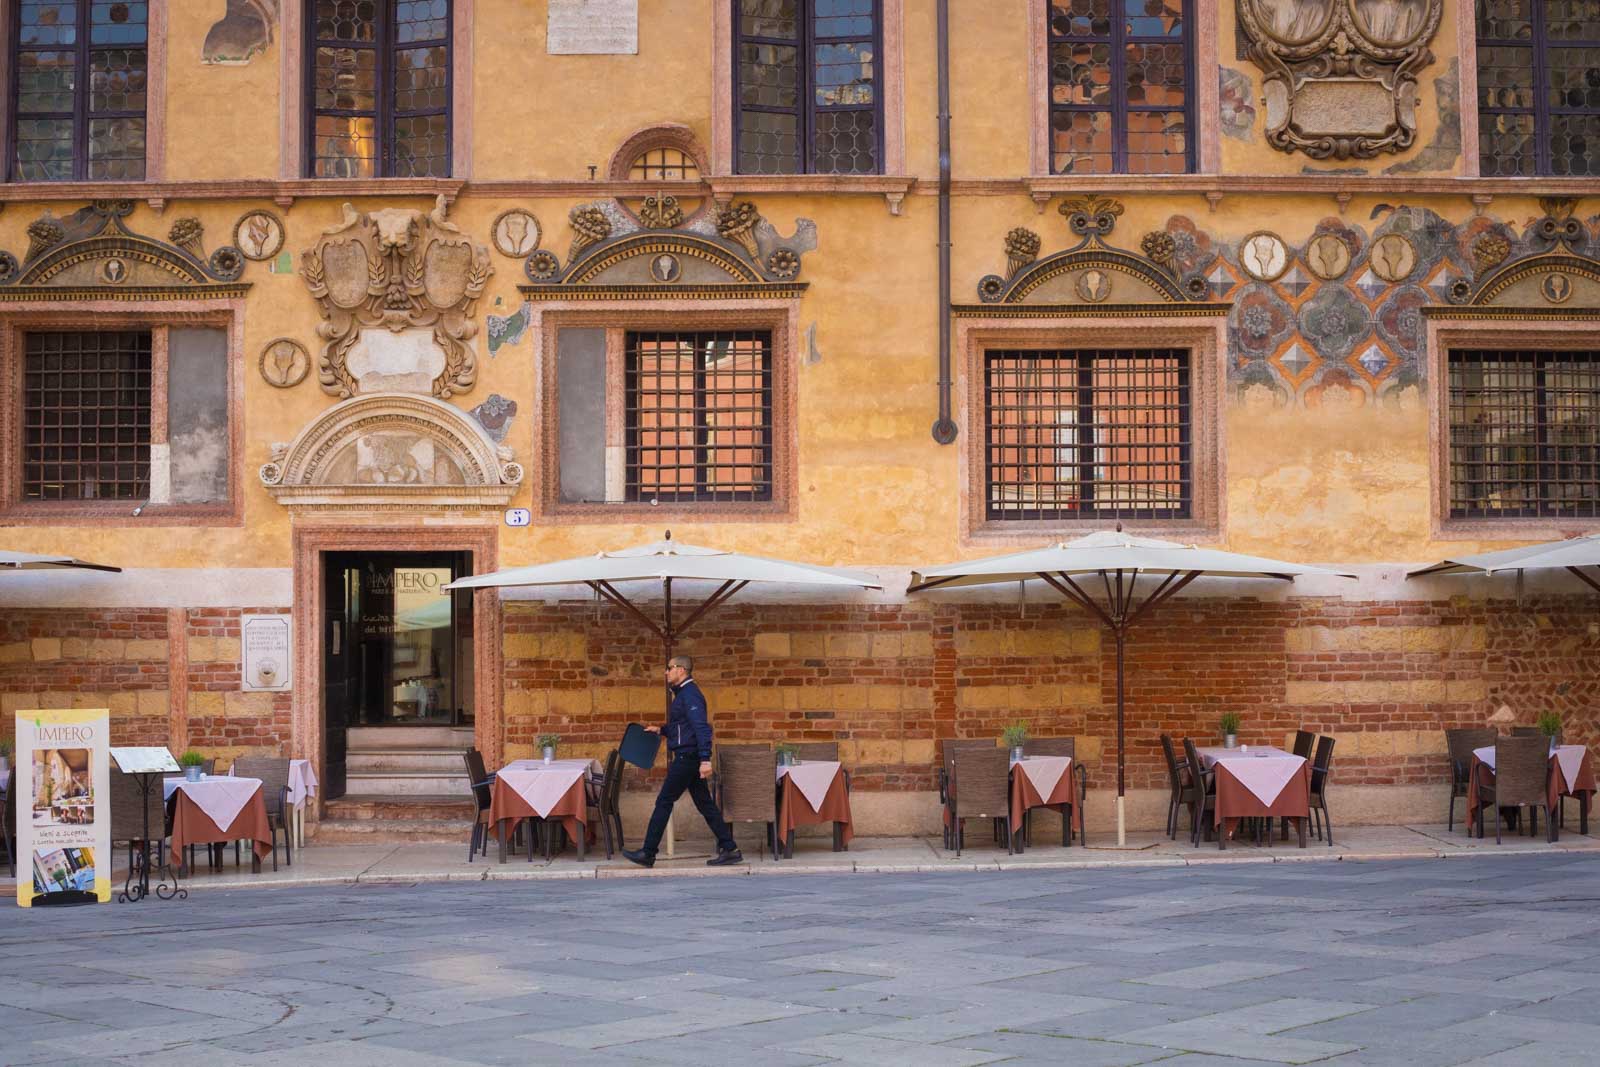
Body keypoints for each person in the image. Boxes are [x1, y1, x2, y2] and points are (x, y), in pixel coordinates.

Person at [622, 655, 743, 867]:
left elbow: (701, 728)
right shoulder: (683, 695)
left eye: (669, 668)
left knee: (664, 801)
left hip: (688, 757)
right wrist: (661, 730)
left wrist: (705, 760)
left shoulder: (691, 695)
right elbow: (683, 727)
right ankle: (730, 848)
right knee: (705, 804)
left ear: (681, 670)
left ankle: (648, 852)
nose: (666, 672)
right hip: (689, 756)